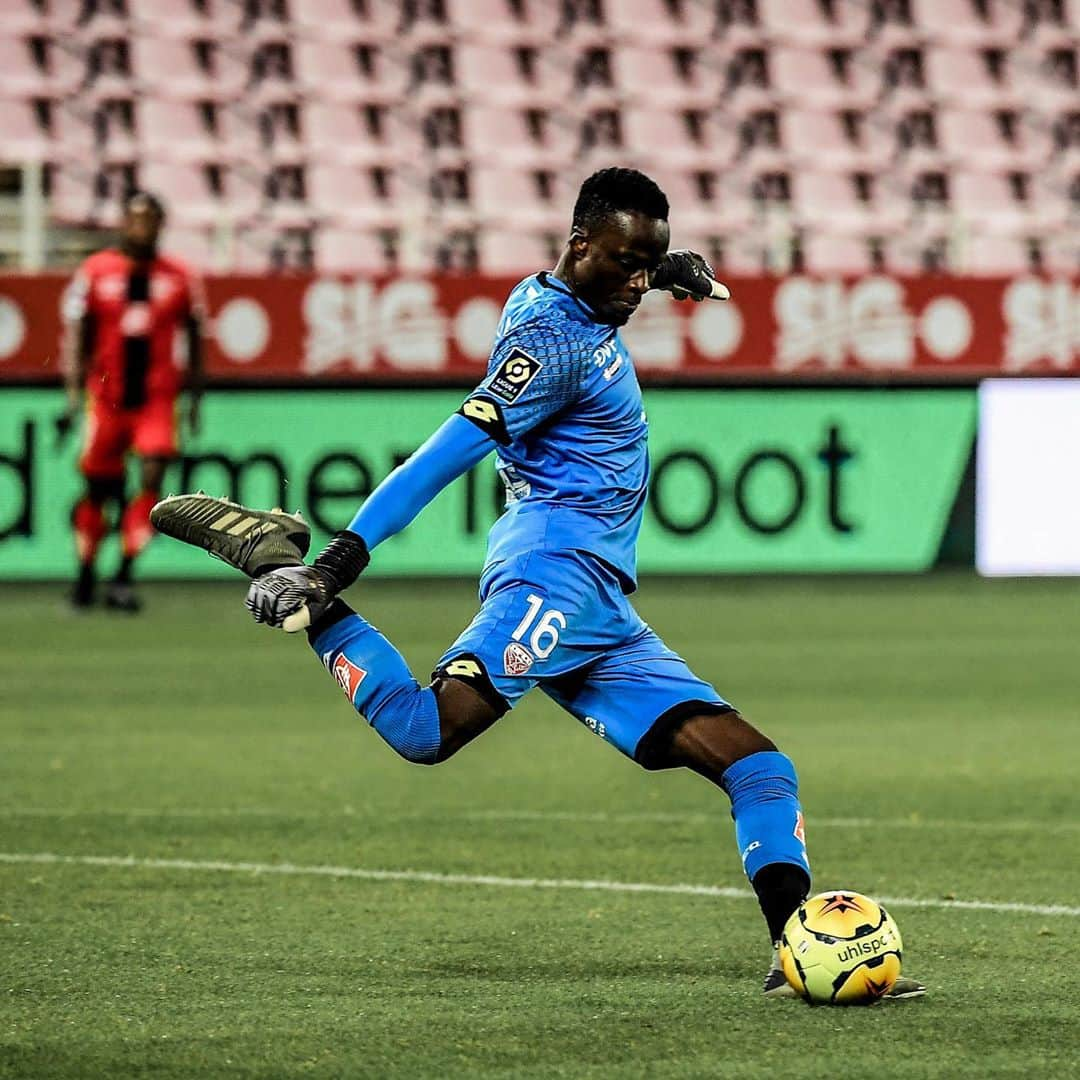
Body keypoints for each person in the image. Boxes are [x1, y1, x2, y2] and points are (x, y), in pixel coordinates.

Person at [152, 168, 923, 999]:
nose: (636, 281)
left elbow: (610, 280)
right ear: (579, 245)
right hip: (552, 578)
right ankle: (285, 568)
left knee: (762, 770)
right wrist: (336, 560)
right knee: (424, 730)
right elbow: (443, 455)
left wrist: (666, 272)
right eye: (628, 261)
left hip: (601, 602)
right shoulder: (548, 347)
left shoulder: (563, 294)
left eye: (647, 264)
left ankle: (793, 954)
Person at [58, 190, 205, 612]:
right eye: (137, 219)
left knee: (154, 477)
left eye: (152, 220)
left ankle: (123, 574)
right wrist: (73, 394)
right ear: (124, 222)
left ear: (161, 225)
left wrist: (195, 399)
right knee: (98, 490)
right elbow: (77, 338)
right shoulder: (95, 272)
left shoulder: (179, 277)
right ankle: (85, 573)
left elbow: (196, 339)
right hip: (106, 399)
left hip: (156, 398)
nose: (144, 228)